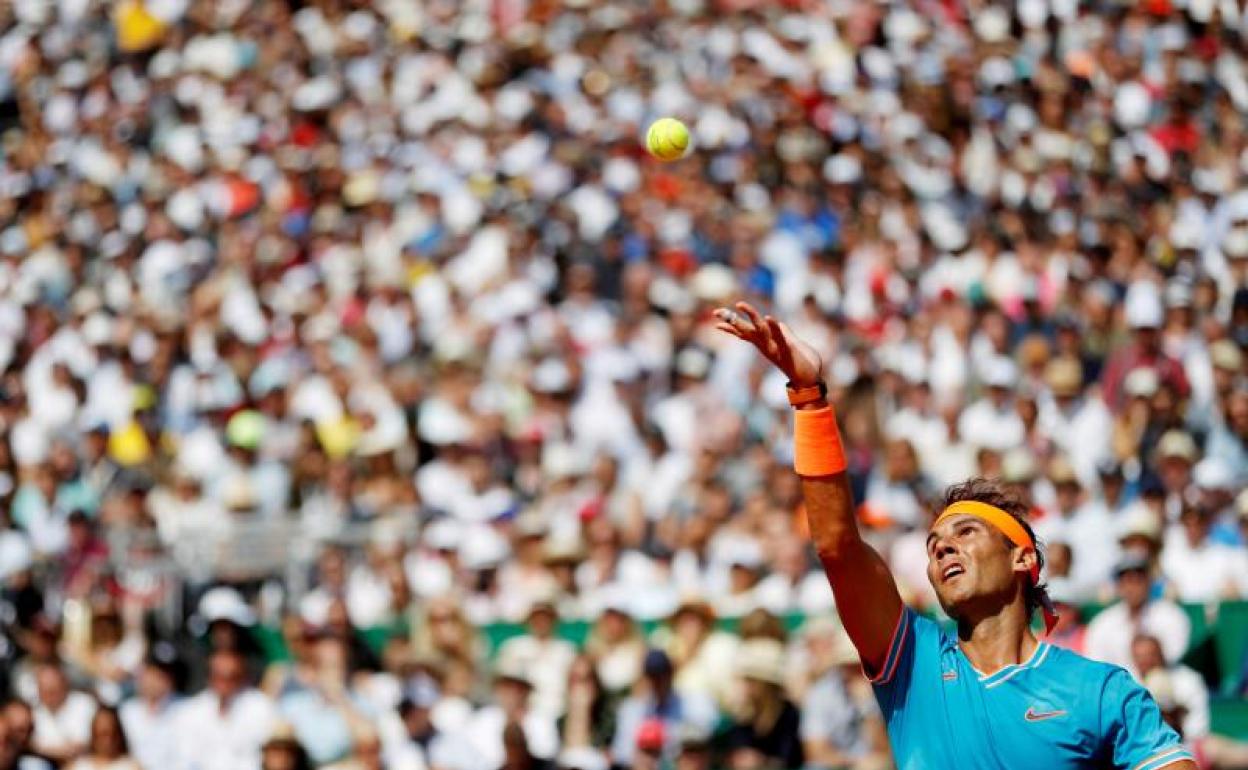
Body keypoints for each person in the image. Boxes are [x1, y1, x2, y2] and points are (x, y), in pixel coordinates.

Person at [715, 302, 1196, 769]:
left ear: (1023, 560)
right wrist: (808, 395)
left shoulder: (1099, 689)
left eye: (966, 531)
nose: (942, 546)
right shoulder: (913, 663)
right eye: (933, 544)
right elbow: (837, 547)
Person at [169, 648, 278, 770]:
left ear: (243, 677)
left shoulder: (261, 708)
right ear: (209, 677)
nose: (224, 683)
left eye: (232, 677)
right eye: (219, 676)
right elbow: (184, 759)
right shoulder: (191, 712)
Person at [1085, 553, 1192, 672]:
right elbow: (1097, 664)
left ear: (1149, 581)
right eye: (1126, 581)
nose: (1132, 587)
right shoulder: (1103, 623)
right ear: (1118, 586)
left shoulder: (1172, 615)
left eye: (1138, 580)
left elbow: (1173, 657)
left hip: (1160, 681)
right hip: (1117, 686)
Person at [721, 639, 803, 769]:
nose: (746, 685)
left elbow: (790, 758)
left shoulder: (790, 715)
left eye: (751, 680)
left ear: (765, 685)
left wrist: (761, 762)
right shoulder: (744, 716)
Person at [118, 647, 183, 770]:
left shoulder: (186, 710)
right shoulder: (126, 712)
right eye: (154, 672)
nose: (159, 679)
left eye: (165, 674)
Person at [64, 707, 141, 770]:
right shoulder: (77, 766)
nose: (108, 741)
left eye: (113, 733)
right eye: (102, 734)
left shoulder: (131, 766)